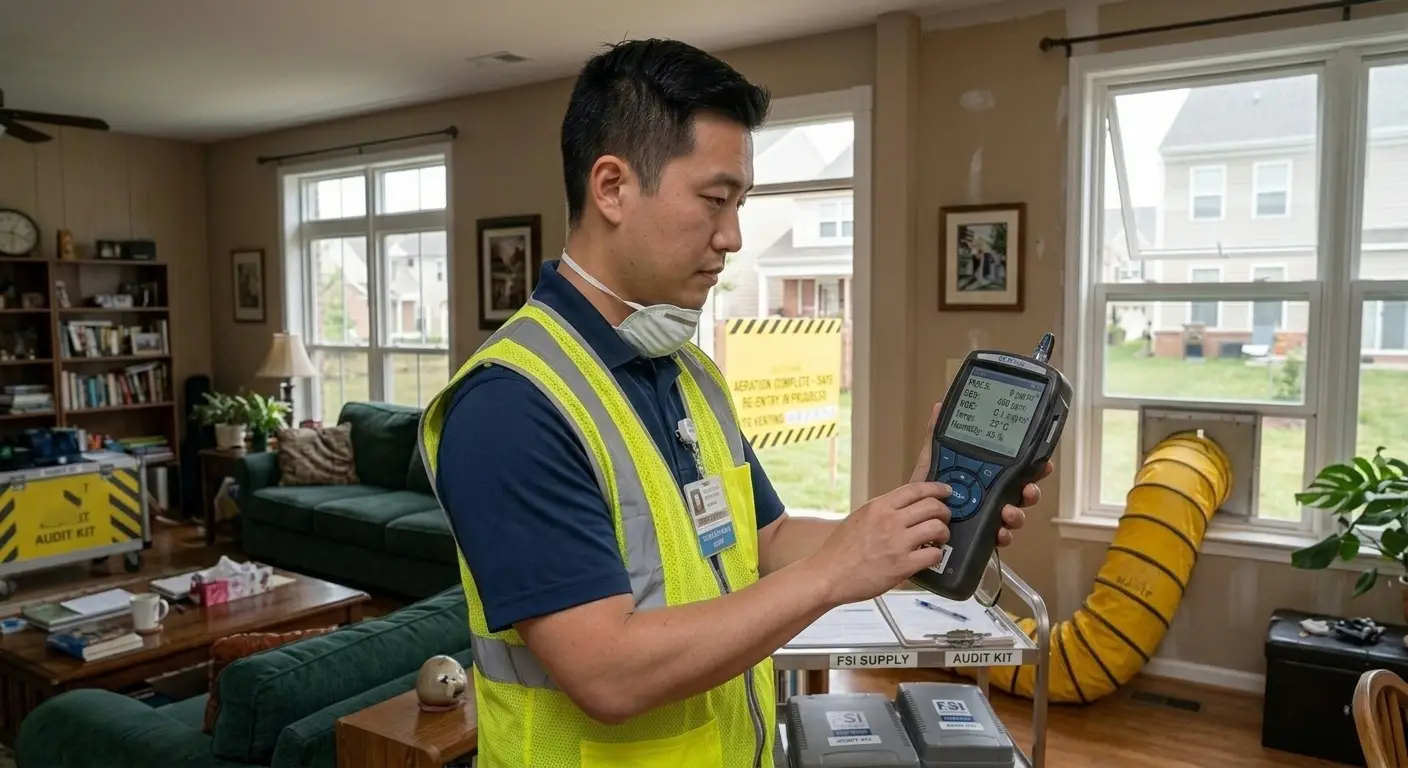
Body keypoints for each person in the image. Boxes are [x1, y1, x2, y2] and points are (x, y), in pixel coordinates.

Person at [417, 38, 1052, 768]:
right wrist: (835, 573)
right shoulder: (511, 406)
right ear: (613, 187)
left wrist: (911, 520)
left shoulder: (687, 370)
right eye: (715, 201)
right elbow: (606, 673)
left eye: (741, 203)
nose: (734, 237)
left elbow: (765, 540)